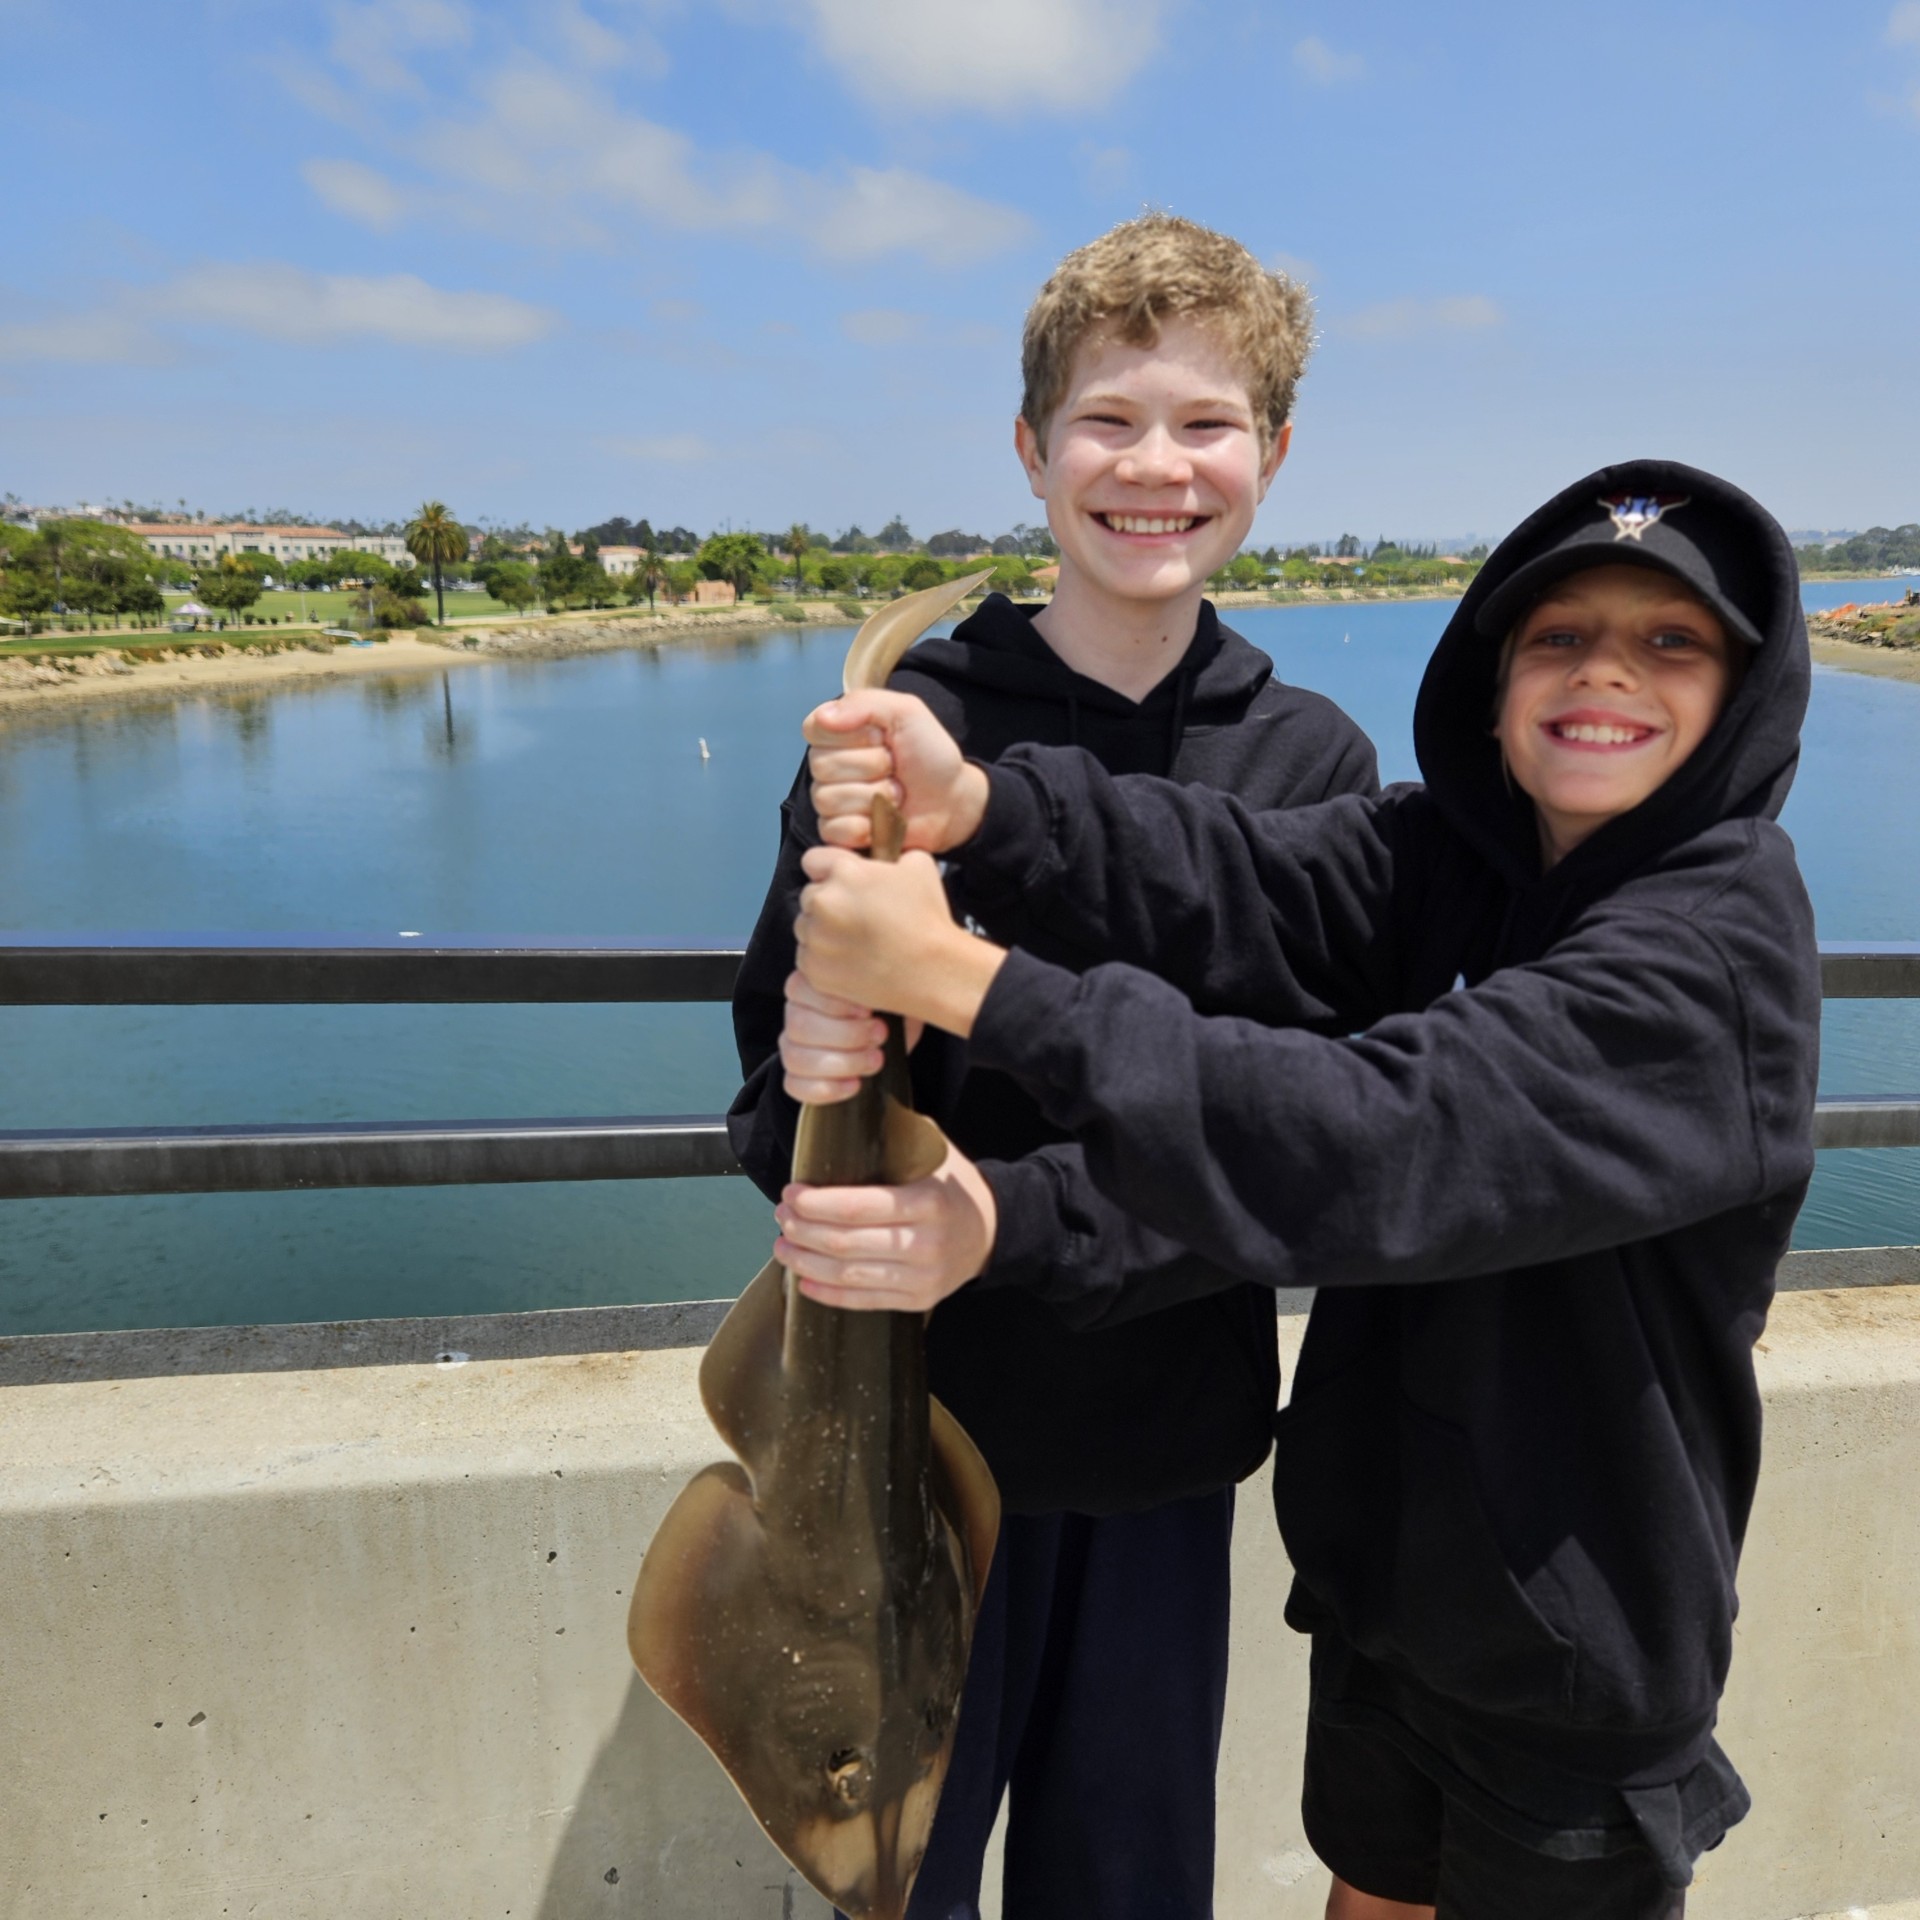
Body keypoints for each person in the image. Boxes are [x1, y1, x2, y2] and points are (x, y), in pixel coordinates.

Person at [780, 460, 1820, 1919]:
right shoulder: (1473, 863)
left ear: (1746, 690)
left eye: (1671, 644)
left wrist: (966, 985)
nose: (1605, 677)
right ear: (1495, 677)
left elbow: (1373, 1137)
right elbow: (1246, 874)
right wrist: (986, 810)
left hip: (1574, 1651)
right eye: (1557, 637)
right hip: (1397, 1598)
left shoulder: (1707, 953)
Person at [727, 213, 1378, 1918]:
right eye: (1105, 420)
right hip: (904, 1465)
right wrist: (805, 1076)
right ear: (1030, 448)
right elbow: (758, 1108)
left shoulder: (1310, 762)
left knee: (1130, 1887)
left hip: (1169, 1449)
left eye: (1206, 423)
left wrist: (1002, 1215)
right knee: (901, 1884)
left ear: (1274, 457)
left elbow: (1299, 1145)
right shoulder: (902, 728)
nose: (1153, 467)